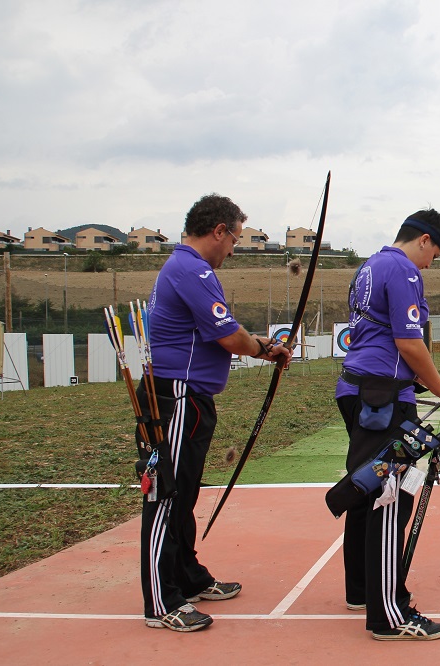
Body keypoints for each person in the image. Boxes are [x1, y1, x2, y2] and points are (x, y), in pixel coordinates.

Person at [137, 194, 291, 632]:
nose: (233, 249)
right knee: (166, 496)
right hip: (177, 398)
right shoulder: (191, 268)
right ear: (218, 230)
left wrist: (260, 345)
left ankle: (186, 577)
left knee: (182, 493)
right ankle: (160, 600)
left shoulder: (188, 268)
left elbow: (221, 330)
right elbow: (228, 337)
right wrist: (265, 349)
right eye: (234, 239)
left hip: (188, 398)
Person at [334, 208, 440, 641]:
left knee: (367, 485)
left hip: (361, 388)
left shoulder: (369, 266)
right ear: (423, 239)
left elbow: (383, 337)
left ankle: (362, 589)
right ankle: (389, 612)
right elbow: (408, 340)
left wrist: (419, 383)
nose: (432, 263)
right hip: (382, 398)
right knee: (390, 494)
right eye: (435, 253)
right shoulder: (403, 269)